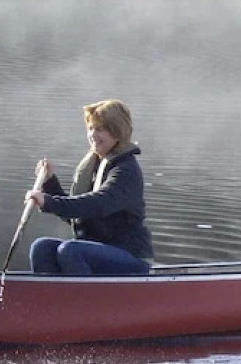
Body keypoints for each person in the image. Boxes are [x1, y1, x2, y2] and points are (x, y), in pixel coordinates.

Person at [26, 99, 154, 276]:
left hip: (131, 257)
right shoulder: (95, 166)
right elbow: (77, 216)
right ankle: (53, 300)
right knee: (42, 248)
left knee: (70, 250)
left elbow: (97, 205)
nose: (93, 134)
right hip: (95, 250)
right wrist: (49, 182)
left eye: (100, 129)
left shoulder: (126, 171)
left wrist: (48, 202)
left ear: (117, 132)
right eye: (90, 128)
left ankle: (86, 301)